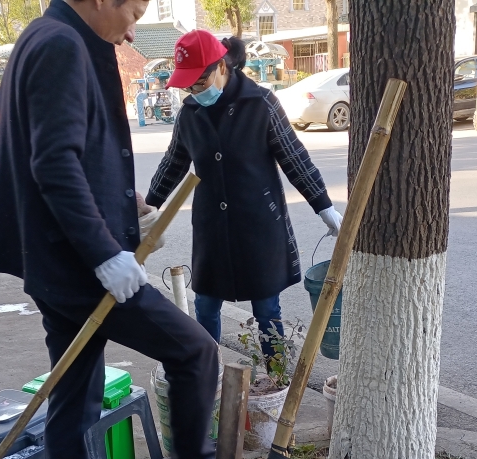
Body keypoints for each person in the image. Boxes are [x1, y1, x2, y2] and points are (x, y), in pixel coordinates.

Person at [0, 0, 259, 459]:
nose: (135, 27)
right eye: (133, 11)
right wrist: (104, 252)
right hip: (77, 265)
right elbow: (53, 162)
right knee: (195, 350)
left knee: (75, 387)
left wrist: (119, 198)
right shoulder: (61, 44)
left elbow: (68, 151)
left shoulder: (46, 35)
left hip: (54, 259)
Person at [146, 31, 342, 360]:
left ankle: (277, 378)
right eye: (188, 86)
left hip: (258, 226)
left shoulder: (260, 103)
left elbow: (293, 157)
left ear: (222, 66)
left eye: (200, 82)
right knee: (206, 306)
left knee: (267, 310)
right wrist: (148, 210)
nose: (194, 92)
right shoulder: (190, 113)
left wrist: (323, 206)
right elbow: (172, 165)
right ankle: (207, 376)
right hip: (212, 228)